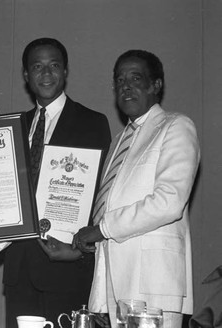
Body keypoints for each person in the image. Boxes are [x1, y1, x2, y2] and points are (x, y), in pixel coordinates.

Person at [73, 50, 200, 328]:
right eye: (119, 80)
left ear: (156, 85)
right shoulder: (120, 140)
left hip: (153, 286)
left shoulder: (176, 126)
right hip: (112, 284)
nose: (125, 86)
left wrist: (102, 228)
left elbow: (169, 202)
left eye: (135, 78)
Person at [0, 37, 112, 327]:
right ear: (26, 75)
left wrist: (80, 251)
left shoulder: (92, 122)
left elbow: (100, 196)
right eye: (37, 66)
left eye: (54, 66)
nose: (46, 74)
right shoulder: (13, 127)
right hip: (19, 268)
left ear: (66, 71)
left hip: (64, 264)